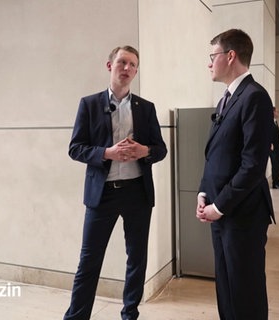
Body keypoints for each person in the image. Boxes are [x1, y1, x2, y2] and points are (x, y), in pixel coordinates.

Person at [64, 45, 167, 320]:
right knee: (89, 261)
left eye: (133, 64)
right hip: (103, 195)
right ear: (110, 65)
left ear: (136, 70)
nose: (127, 69)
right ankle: (76, 316)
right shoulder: (89, 104)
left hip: (137, 194)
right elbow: (75, 148)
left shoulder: (146, 108)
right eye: (122, 62)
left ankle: (129, 314)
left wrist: (145, 151)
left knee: (136, 259)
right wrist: (106, 153)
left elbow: (161, 148)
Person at [196, 29, 275, 320]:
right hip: (221, 211)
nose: (209, 63)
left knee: (245, 291)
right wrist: (205, 193)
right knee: (227, 287)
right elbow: (215, 154)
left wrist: (220, 206)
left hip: (243, 214)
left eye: (212, 56)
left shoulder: (255, 97)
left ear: (230, 56)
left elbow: (253, 165)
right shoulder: (227, 98)